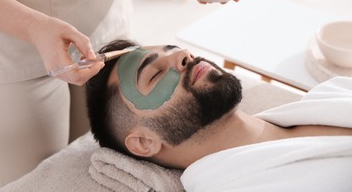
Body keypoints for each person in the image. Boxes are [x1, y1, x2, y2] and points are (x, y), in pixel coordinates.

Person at [0, 0, 241, 190]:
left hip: (102, 15)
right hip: (1, 50)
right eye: (154, 74)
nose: (184, 55)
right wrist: (33, 27)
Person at [86, 39, 352, 191]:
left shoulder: (334, 90)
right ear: (145, 142)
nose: (183, 54)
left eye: (172, 48)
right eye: (154, 74)